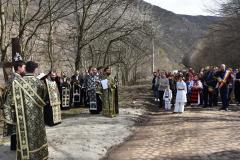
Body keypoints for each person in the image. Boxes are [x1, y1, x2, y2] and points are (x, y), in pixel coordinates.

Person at [3, 61, 48, 159]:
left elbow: (8, 100)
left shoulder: (16, 83)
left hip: (22, 118)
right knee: (37, 138)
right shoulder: (40, 83)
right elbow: (44, 98)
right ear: (34, 70)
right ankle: (39, 155)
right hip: (37, 118)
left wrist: (10, 119)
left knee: (25, 139)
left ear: (26, 69)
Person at [2, 60, 25, 151]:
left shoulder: (11, 77)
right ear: (19, 68)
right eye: (23, 67)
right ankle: (17, 147)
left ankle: (13, 146)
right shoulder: (17, 79)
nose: (24, 68)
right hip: (15, 107)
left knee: (14, 128)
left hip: (10, 106)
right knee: (17, 128)